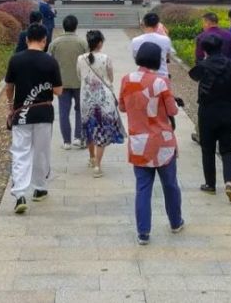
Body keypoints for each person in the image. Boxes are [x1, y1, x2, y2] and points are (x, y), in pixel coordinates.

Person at [119, 42, 185, 245]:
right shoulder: (161, 82)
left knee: (143, 188)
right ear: (157, 59)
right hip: (162, 141)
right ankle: (175, 222)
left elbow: (122, 107)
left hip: (139, 141)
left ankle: (143, 232)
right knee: (170, 185)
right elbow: (172, 111)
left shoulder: (126, 80)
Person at [4, 24, 63, 214]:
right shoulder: (50, 62)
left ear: (27, 39)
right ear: (44, 40)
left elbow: (9, 86)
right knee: (41, 151)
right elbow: (58, 90)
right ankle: (39, 188)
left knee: (20, 151)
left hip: (21, 113)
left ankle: (20, 193)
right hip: (44, 113)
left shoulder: (16, 60)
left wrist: (10, 105)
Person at [189, 34, 231, 204]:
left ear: (205, 49)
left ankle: (210, 184)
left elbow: (192, 75)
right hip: (228, 112)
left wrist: (203, 59)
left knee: (207, 149)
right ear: (221, 47)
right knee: (227, 150)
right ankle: (229, 182)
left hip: (207, 113)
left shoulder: (203, 66)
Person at [77, 30, 125, 177]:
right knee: (101, 130)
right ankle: (97, 166)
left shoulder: (80, 58)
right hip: (103, 100)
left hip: (86, 98)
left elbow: (79, 76)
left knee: (89, 129)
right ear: (99, 43)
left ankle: (91, 158)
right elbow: (110, 78)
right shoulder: (105, 58)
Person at [48, 15, 88, 150]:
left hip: (61, 82)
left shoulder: (55, 43)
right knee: (80, 110)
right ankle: (79, 137)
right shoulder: (82, 43)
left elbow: (50, 62)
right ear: (76, 26)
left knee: (64, 112)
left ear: (64, 26)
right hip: (79, 81)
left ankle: (66, 141)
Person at [130, 12, 173, 78]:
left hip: (143, 77)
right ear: (157, 25)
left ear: (144, 23)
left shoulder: (135, 41)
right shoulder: (166, 40)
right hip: (162, 75)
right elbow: (168, 56)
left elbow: (136, 58)